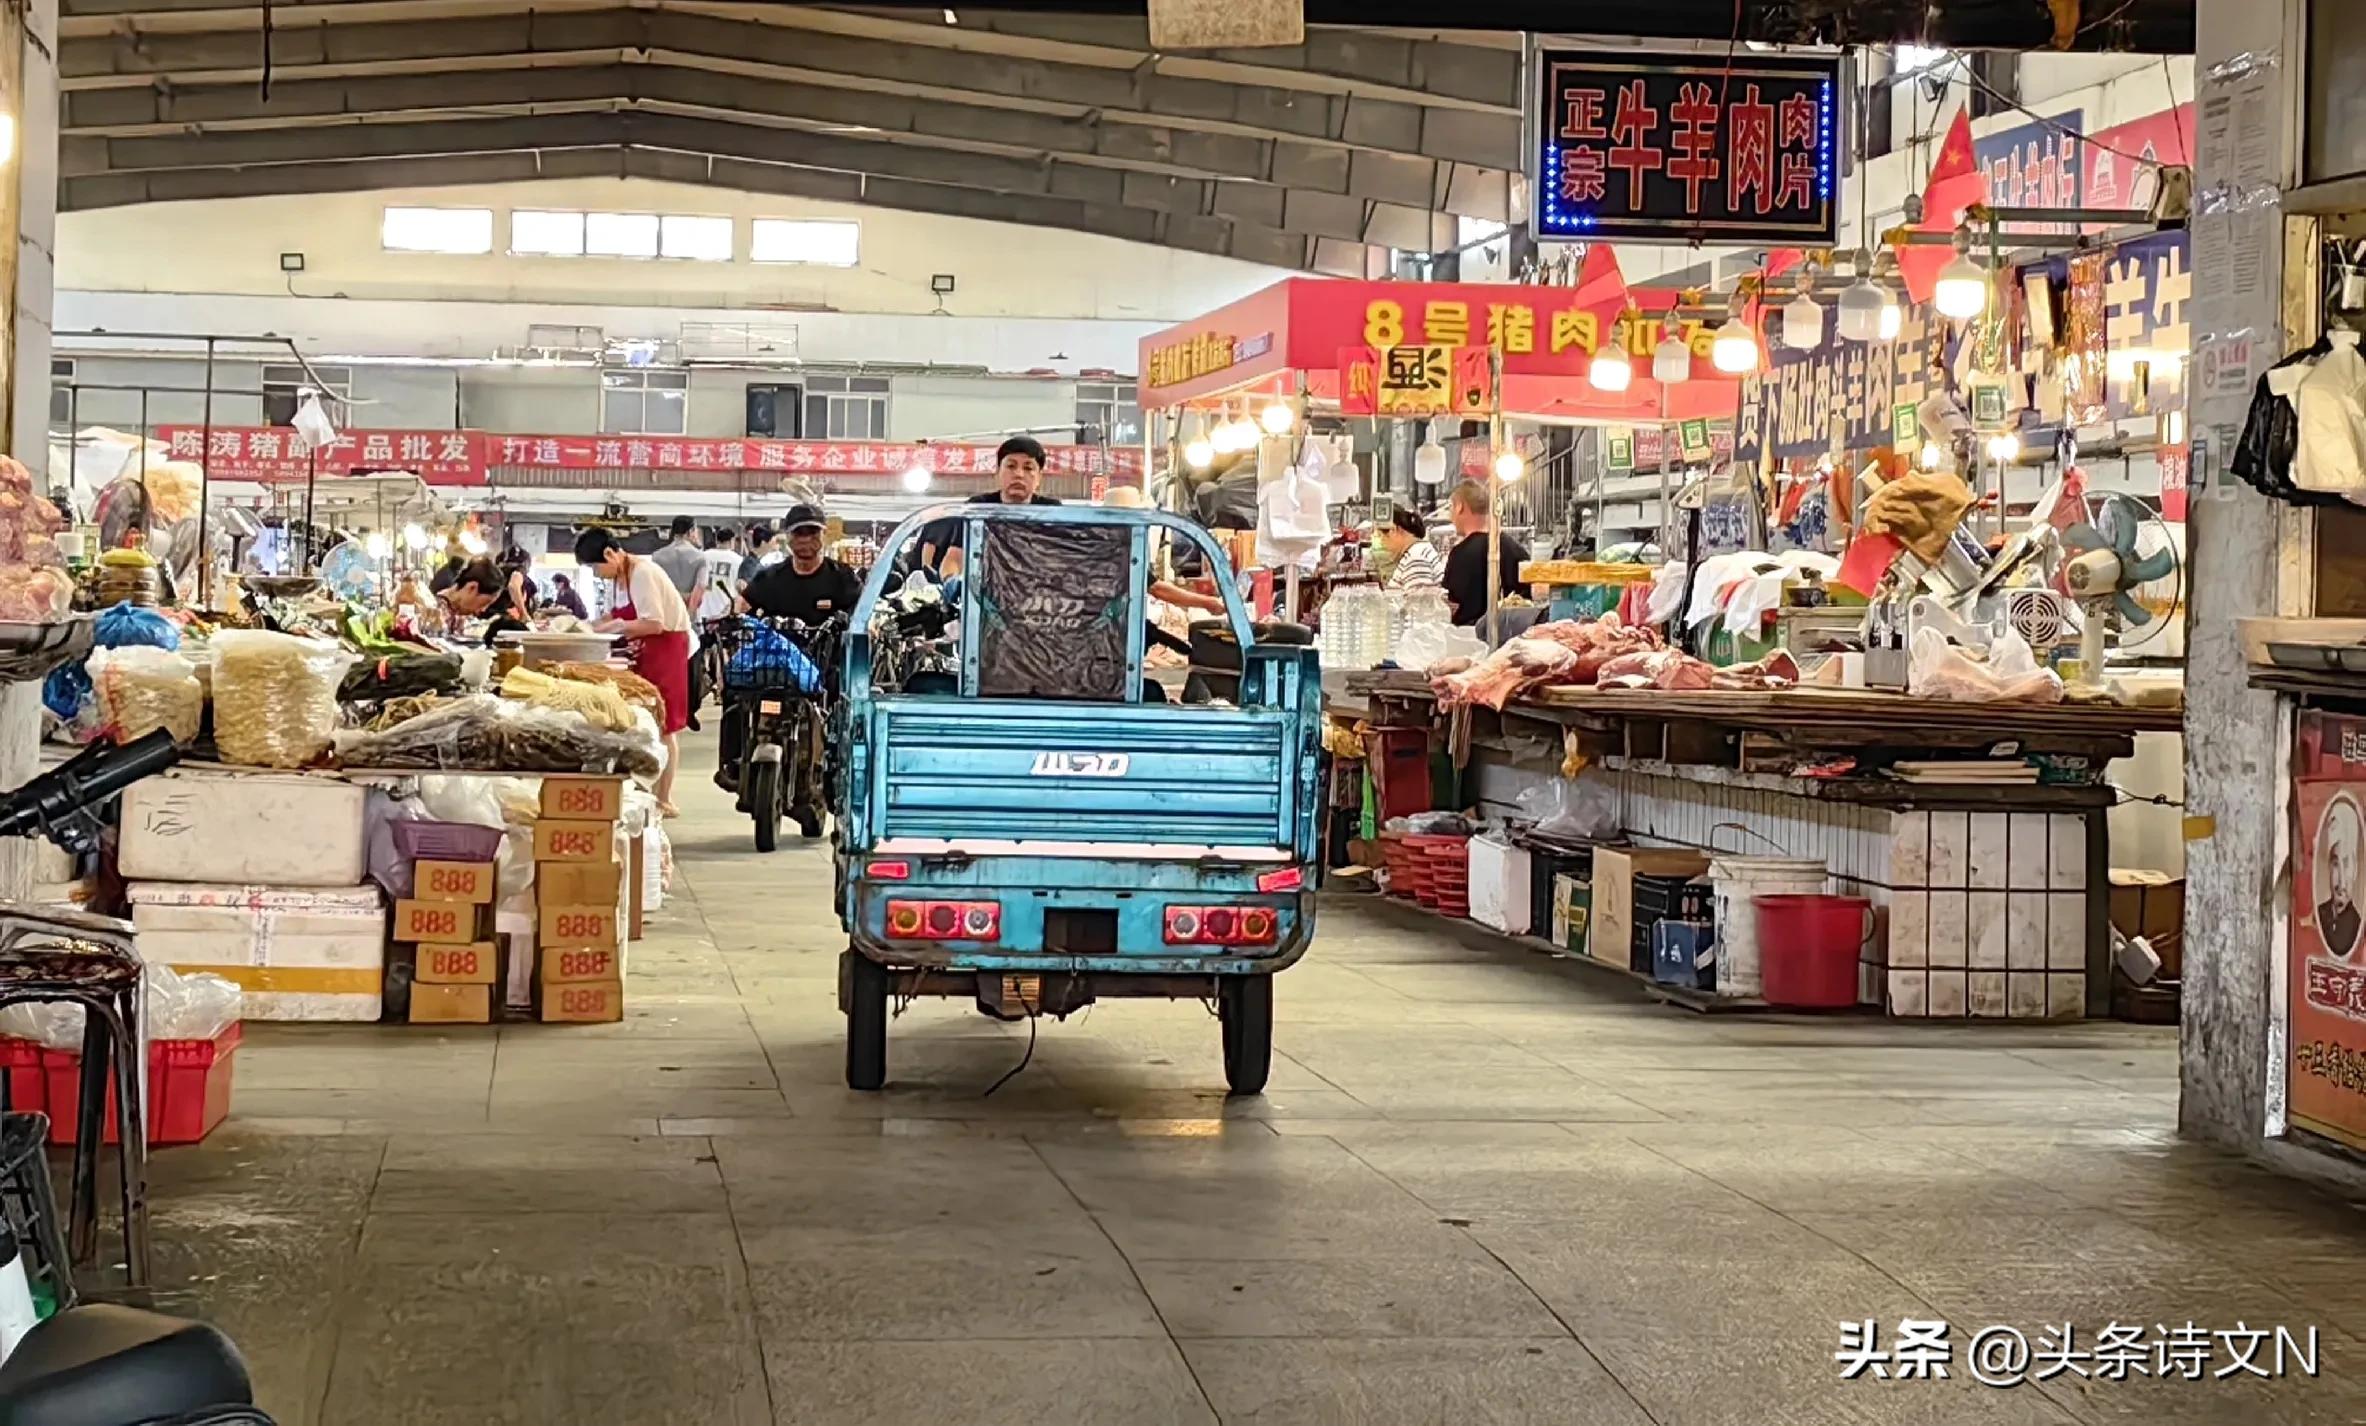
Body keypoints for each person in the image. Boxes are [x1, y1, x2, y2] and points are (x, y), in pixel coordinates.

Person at [577, 528, 694, 818]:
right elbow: (616, 614)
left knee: (665, 723)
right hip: (645, 649)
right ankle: (644, 790)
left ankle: (664, 799)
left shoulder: (643, 572)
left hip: (667, 648)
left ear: (610, 554)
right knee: (644, 718)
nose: (597, 573)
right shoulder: (621, 577)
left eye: (596, 567)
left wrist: (616, 627)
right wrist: (584, 626)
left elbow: (654, 623)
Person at [917, 435, 1061, 576]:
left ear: (1039, 477)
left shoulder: (1052, 513)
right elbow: (955, 558)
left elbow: (1060, 564)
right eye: (1011, 466)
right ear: (997, 472)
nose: (1019, 474)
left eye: (1028, 468)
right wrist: (950, 581)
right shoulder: (978, 508)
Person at [742, 504, 863, 625]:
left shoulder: (844, 579)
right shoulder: (767, 580)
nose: (805, 539)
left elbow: (863, 619)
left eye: (813, 532)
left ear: (824, 534)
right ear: (787, 536)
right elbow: (743, 616)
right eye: (798, 533)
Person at [1440, 479, 1528, 628]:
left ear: (1459, 506)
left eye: (1451, 508)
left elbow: (1453, 606)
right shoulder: (1516, 549)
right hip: (1512, 634)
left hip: (1469, 636)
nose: (1451, 517)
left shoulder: (1460, 555)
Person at [437, 557, 535, 643]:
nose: (483, 610)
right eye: (483, 604)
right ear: (472, 587)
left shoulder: (458, 616)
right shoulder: (435, 612)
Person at [2322, 799, 2364, 958]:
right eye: (2335, 864)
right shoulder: (2319, 915)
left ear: (2355, 869)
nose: (2341, 881)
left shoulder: (2358, 926)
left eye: (2346, 864)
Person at [1380, 507, 1445, 591]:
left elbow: (1419, 598)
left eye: (1382, 536)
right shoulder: (1417, 552)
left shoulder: (1416, 558)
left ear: (1393, 530)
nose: (1382, 543)